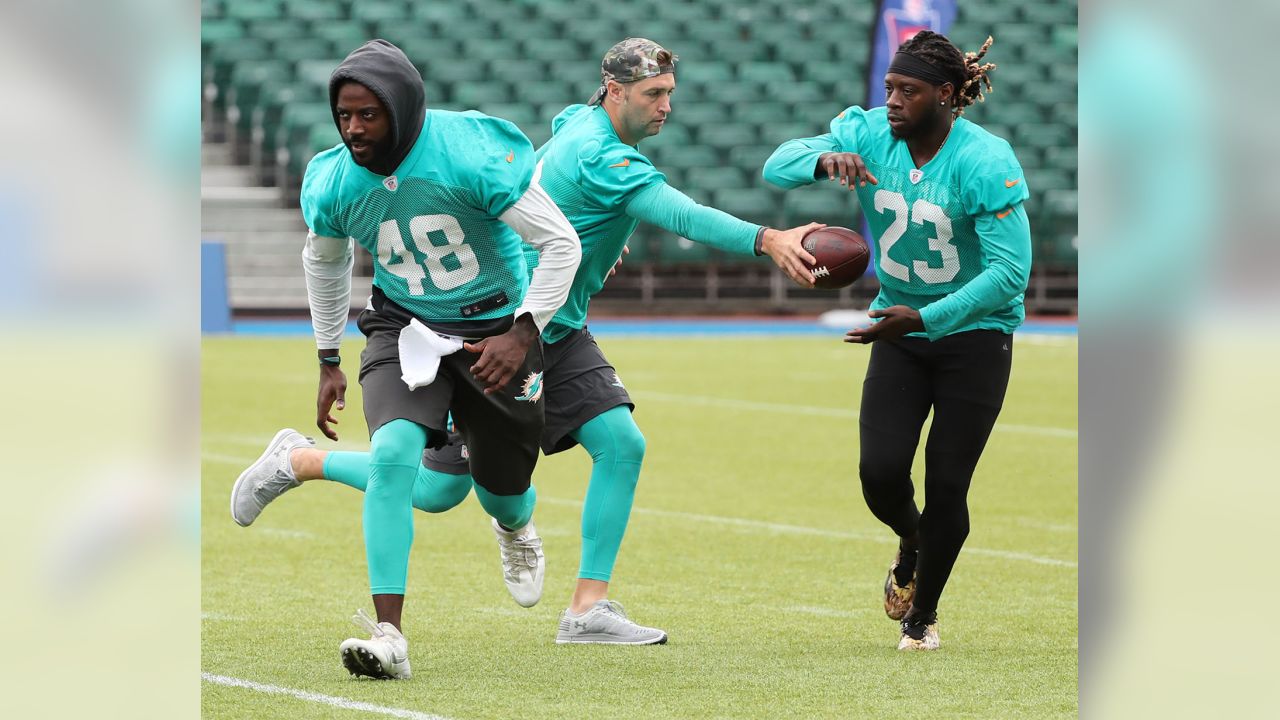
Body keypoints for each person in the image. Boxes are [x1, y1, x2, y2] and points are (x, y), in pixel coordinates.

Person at [231, 38, 822, 646]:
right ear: (615, 93)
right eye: (655, 94)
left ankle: (584, 606)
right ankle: (307, 472)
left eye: (669, 92)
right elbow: (682, 215)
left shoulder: (580, 127)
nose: (666, 106)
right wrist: (769, 239)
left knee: (604, 449)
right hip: (505, 325)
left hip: (545, 323)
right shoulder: (598, 154)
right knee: (432, 484)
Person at [230, 39, 581, 679]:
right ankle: (389, 634)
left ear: (404, 106)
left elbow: (561, 244)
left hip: (495, 331)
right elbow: (325, 260)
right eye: (345, 116)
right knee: (394, 457)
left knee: (482, 492)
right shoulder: (337, 179)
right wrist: (328, 355)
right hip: (405, 325)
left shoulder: (469, 153)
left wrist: (523, 332)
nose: (355, 129)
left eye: (369, 114)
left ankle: (512, 526)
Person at [762, 31, 1031, 651]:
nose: (893, 101)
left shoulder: (985, 159)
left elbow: (1009, 275)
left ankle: (922, 615)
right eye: (889, 88)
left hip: (974, 336)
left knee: (947, 484)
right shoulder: (868, 133)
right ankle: (912, 541)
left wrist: (929, 317)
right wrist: (823, 161)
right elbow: (776, 164)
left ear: (945, 94)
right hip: (899, 329)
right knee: (879, 474)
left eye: (908, 91)